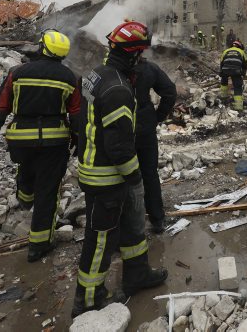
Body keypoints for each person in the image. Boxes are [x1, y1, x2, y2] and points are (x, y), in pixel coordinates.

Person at [73, 20, 167, 315]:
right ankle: (89, 298)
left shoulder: (96, 75)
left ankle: (137, 274)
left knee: (131, 227)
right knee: (101, 238)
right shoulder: (118, 89)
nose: (142, 59)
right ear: (133, 54)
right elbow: (118, 147)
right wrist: (134, 176)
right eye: (140, 54)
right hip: (106, 177)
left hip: (98, 169)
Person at [0, 30, 81, 262]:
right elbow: (76, 113)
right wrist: (78, 138)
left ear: (42, 48)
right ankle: (39, 245)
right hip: (54, 142)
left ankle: (25, 198)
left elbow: (1, 105)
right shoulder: (70, 77)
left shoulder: (17, 73)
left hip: (21, 140)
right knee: (48, 190)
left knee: (26, 168)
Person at [133, 56, 177, 233]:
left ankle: (126, 223)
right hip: (144, 126)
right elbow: (170, 92)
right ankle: (157, 219)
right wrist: (158, 116)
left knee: (121, 175)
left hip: (118, 129)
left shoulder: (109, 70)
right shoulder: (148, 68)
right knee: (149, 173)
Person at [219, 39, 247, 111]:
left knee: (224, 82)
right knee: (238, 86)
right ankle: (238, 107)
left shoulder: (226, 51)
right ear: (240, 46)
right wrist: (243, 73)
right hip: (236, 71)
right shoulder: (242, 52)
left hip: (225, 69)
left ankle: (223, 99)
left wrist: (221, 72)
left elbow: (221, 62)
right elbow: (245, 64)